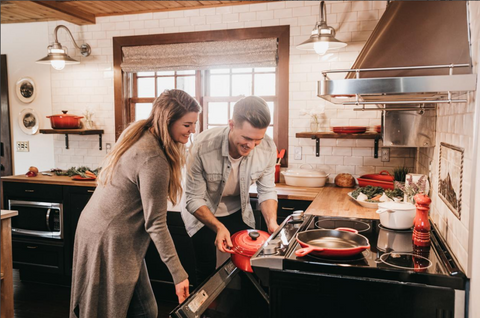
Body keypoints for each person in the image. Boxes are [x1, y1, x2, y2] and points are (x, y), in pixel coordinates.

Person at [70, 89, 201, 318]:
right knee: (131, 310)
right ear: (167, 120)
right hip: (110, 237)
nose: (192, 131)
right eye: (187, 125)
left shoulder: (139, 133)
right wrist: (179, 275)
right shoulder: (153, 157)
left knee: (143, 308)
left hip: (97, 228)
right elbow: (156, 224)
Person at [183, 96, 279, 285]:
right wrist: (218, 227)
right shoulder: (202, 146)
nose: (251, 146)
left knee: (247, 270)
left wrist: (272, 223)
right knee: (206, 270)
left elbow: (267, 190)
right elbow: (193, 198)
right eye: (246, 138)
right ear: (232, 124)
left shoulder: (267, 148)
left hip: (238, 211)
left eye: (257, 140)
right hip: (203, 213)